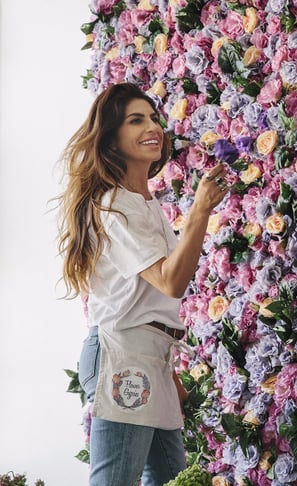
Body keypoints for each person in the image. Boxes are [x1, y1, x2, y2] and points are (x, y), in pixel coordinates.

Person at [56, 82, 229, 485]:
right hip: (123, 357)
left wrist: (169, 378)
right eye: (136, 120)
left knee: (173, 480)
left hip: (151, 358)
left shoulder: (145, 205)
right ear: (112, 139)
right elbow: (170, 282)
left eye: (153, 117)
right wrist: (200, 209)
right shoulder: (113, 205)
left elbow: (150, 299)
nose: (152, 126)